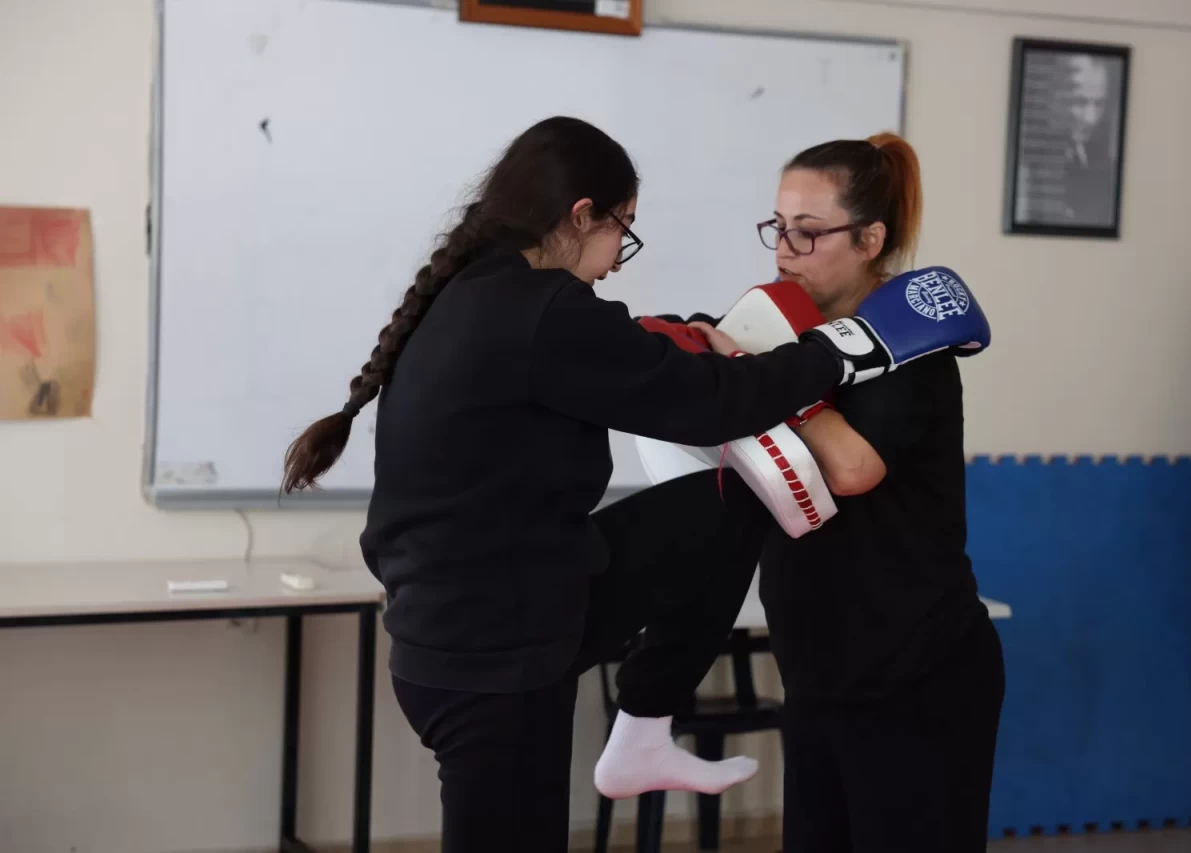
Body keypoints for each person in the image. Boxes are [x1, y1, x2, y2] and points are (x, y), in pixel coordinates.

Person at [279, 116, 875, 853]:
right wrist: (840, 350)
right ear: (582, 214)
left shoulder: (475, 293)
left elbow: (639, 364)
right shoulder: (545, 312)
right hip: (490, 656)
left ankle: (644, 726)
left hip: (490, 616)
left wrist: (692, 338)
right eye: (622, 230)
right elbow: (713, 401)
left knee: (724, 503)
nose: (620, 257)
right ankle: (643, 730)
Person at [671, 133, 1004, 852]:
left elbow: (852, 469)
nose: (785, 250)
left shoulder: (910, 348)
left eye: (809, 232)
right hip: (821, 670)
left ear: (869, 240)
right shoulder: (797, 338)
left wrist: (762, 375)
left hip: (916, 672)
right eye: (778, 227)